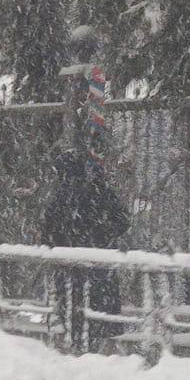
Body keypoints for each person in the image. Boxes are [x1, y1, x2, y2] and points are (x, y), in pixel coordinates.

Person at [41, 149, 130, 353]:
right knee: (96, 312)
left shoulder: (65, 194)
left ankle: (78, 344)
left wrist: (61, 243)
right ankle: (96, 345)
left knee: (75, 310)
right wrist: (102, 236)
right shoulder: (97, 190)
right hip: (95, 265)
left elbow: (49, 229)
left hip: (74, 266)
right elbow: (122, 220)